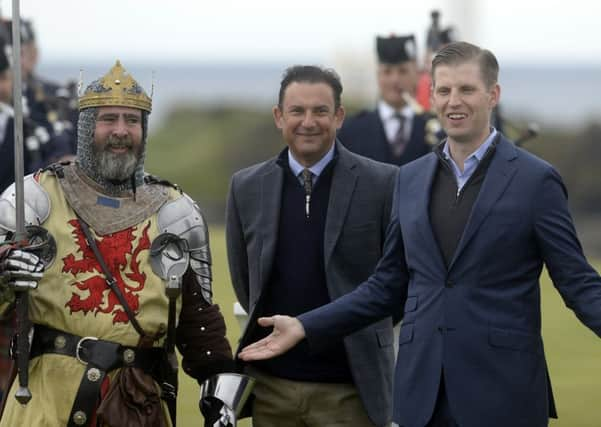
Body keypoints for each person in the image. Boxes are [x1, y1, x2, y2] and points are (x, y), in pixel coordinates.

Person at [238, 42, 601, 427]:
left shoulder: (536, 181)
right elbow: (386, 285)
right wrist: (305, 325)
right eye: (443, 90)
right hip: (419, 397)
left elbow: (577, 282)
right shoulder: (410, 178)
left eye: (466, 89)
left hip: (504, 393)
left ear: (493, 95)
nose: (453, 101)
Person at [0, 61, 235, 426]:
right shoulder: (34, 199)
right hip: (46, 402)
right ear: (86, 126)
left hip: (136, 405)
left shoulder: (176, 212)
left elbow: (198, 320)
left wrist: (220, 392)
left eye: (132, 120)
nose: (121, 131)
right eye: (109, 119)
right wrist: (5, 273)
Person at [226, 65, 399, 427]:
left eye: (320, 111)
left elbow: (394, 287)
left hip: (352, 392)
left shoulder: (384, 184)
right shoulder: (245, 187)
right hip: (271, 391)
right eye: (297, 111)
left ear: (338, 116)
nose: (309, 121)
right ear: (279, 117)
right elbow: (246, 283)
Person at [337, 34, 440, 166]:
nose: (395, 80)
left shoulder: (434, 127)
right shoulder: (350, 130)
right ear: (378, 76)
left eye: (403, 71)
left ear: (416, 75)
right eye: (387, 72)